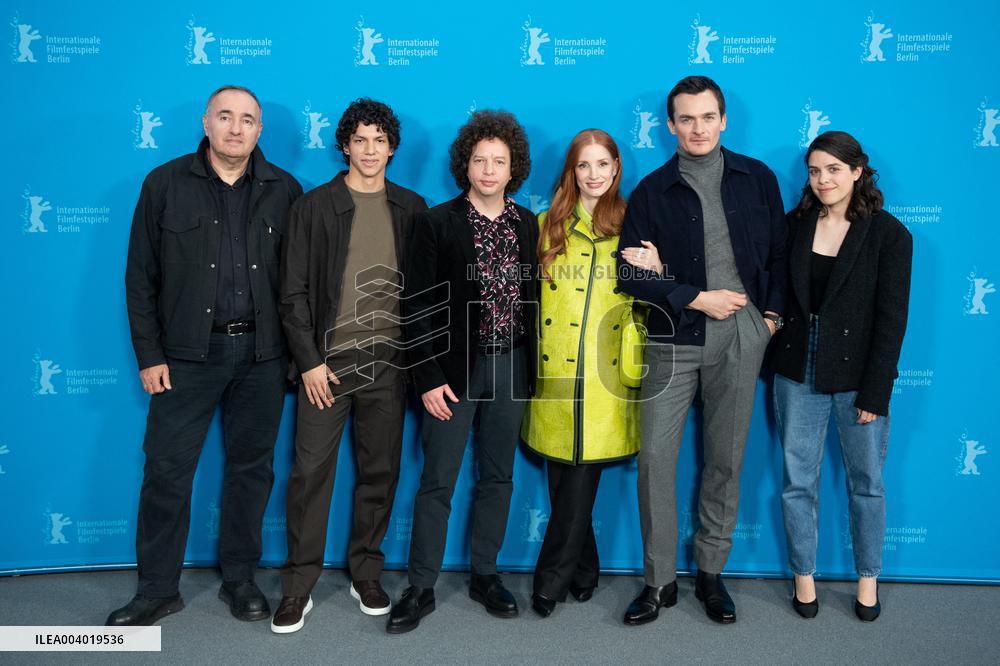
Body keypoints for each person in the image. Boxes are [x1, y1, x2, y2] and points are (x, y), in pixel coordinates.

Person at [111, 85, 302, 626]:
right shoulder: (165, 184)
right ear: (207, 122)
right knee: (167, 472)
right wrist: (149, 354)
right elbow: (139, 277)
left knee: (251, 471)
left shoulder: (284, 190)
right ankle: (156, 589)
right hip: (186, 357)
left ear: (260, 129)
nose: (236, 128)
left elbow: (299, 285)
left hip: (263, 357)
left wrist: (295, 357)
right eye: (225, 116)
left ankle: (240, 579)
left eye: (247, 119)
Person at [616, 75, 786, 625]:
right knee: (655, 464)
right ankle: (658, 581)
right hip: (672, 340)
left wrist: (769, 319)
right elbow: (627, 273)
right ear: (670, 125)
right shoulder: (651, 191)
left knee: (725, 463)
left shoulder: (757, 179)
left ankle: (711, 574)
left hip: (742, 338)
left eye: (707, 116)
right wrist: (693, 296)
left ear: (724, 119)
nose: (697, 128)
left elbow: (781, 258)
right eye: (685, 118)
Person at [271, 99, 428, 633]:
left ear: (392, 148)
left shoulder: (412, 207)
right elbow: (291, 294)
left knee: (378, 472)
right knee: (310, 474)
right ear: (345, 145)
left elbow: (426, 295)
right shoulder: (314, 207)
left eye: (379, 140)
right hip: (327, 368)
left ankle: (367, 573)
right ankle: (298, 587)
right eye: (359, 139)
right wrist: (309, 362)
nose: (369, 150)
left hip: (388, 364)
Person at [386, 110, 538, 634]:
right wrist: (427, 376)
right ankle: (421, 585)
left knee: (498, 476)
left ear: (513, 166)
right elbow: (415, 305)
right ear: (465, 165)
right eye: (480, 160)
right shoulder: (437, 221)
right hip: (454, 370)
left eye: (500, 161)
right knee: (438, 481)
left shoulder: (527, 222)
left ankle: (485, 574)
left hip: (512, 365)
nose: (490, 170)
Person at [771, 131, 911, 622]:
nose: (824, 179)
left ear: (857, 172)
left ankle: (867, 579)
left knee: (867, 483)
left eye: (833, 169)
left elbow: (892, 321)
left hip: (858, 380)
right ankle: (803, 576)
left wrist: (877, 391)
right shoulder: (794, 225)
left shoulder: (889, 235)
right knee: (797, 482)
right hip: (796, 374)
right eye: (815, 171)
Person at [521, 129, 639, 617]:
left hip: (604, 378)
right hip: (551, 374)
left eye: (602, 164)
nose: (593, 175)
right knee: (563, 484)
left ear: (616, 169)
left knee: (578, 479)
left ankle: (549, 581)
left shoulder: (634, 226)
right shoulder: (544, 224)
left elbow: (654, 301)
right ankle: (585, 569)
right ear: (571, 171)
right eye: (583, 165)